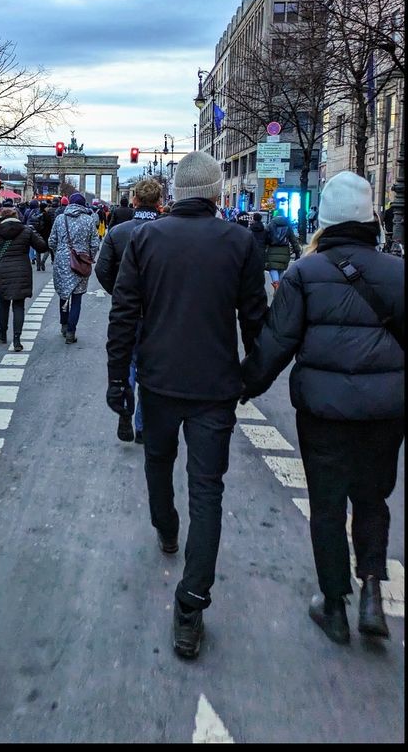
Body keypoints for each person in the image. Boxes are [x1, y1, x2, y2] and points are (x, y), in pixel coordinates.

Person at [105, 151, 267, 660]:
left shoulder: (147, 239)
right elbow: (255, 321)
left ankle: (165, 526)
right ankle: (192, 604)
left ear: (176, 191)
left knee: (158, 460)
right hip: (215, 388)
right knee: (208, 491)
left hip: (158, 381)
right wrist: (253, 378)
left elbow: (123, 315)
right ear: (218, 192)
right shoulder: (241, 242)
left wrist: (117, 381)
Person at [241, 172, 403, 646]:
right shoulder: (398, 272)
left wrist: (243, 386)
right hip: (385, 413)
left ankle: (334, 607)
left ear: (324, 221)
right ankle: (372, 590)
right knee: (373, 499)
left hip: (323, 412)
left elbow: (276, 343)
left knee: (328, 507)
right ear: (372, 216)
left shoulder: (304, 273)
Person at [95, 178, 161, 444]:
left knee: (128, 363)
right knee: (150, 369)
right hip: (158, 313)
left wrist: (119, 293)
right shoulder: (169, 232)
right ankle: (143, 426)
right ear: (159, 202)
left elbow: (102, 270)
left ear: (134, 200)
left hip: (127, 312)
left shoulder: (118, 232)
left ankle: (125, 407)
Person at [0, 207, 47, 351]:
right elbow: (41, 247)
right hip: (22, 271)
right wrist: (35, 232)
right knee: (18, 305)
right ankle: (17, 340)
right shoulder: (26, 230)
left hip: (3, 270)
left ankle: (2, 333)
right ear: (17, 216)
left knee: (3, 303)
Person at [48, 192, 100, 344]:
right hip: (81, 262)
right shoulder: (88, 220)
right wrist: (88, 256)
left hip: (62, 262)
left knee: (64, 295)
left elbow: (51, 241)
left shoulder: (60, 219)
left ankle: (64, 325)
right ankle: (71, 331)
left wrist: (60, 253)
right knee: (77, 298)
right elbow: (95, 243)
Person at [265, 210, 301, 290]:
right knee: (281, 269)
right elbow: (293, 240)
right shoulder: (288, 226)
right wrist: (297, 252)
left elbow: (265, 238)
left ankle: (276, 285)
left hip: (272, 251)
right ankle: (279, 288)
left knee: (273, 268)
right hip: (284, 251)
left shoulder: (270, 225)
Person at [36, 200, 55, 270]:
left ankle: (38, 265)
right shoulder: (47, 215)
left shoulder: (36, 214)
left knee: (37, 249)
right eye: (46, 207)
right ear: (44, 208)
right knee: (47, 249)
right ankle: (42, 261)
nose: (48, 208)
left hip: (37, 233)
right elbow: (50, 225)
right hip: (46, 234)